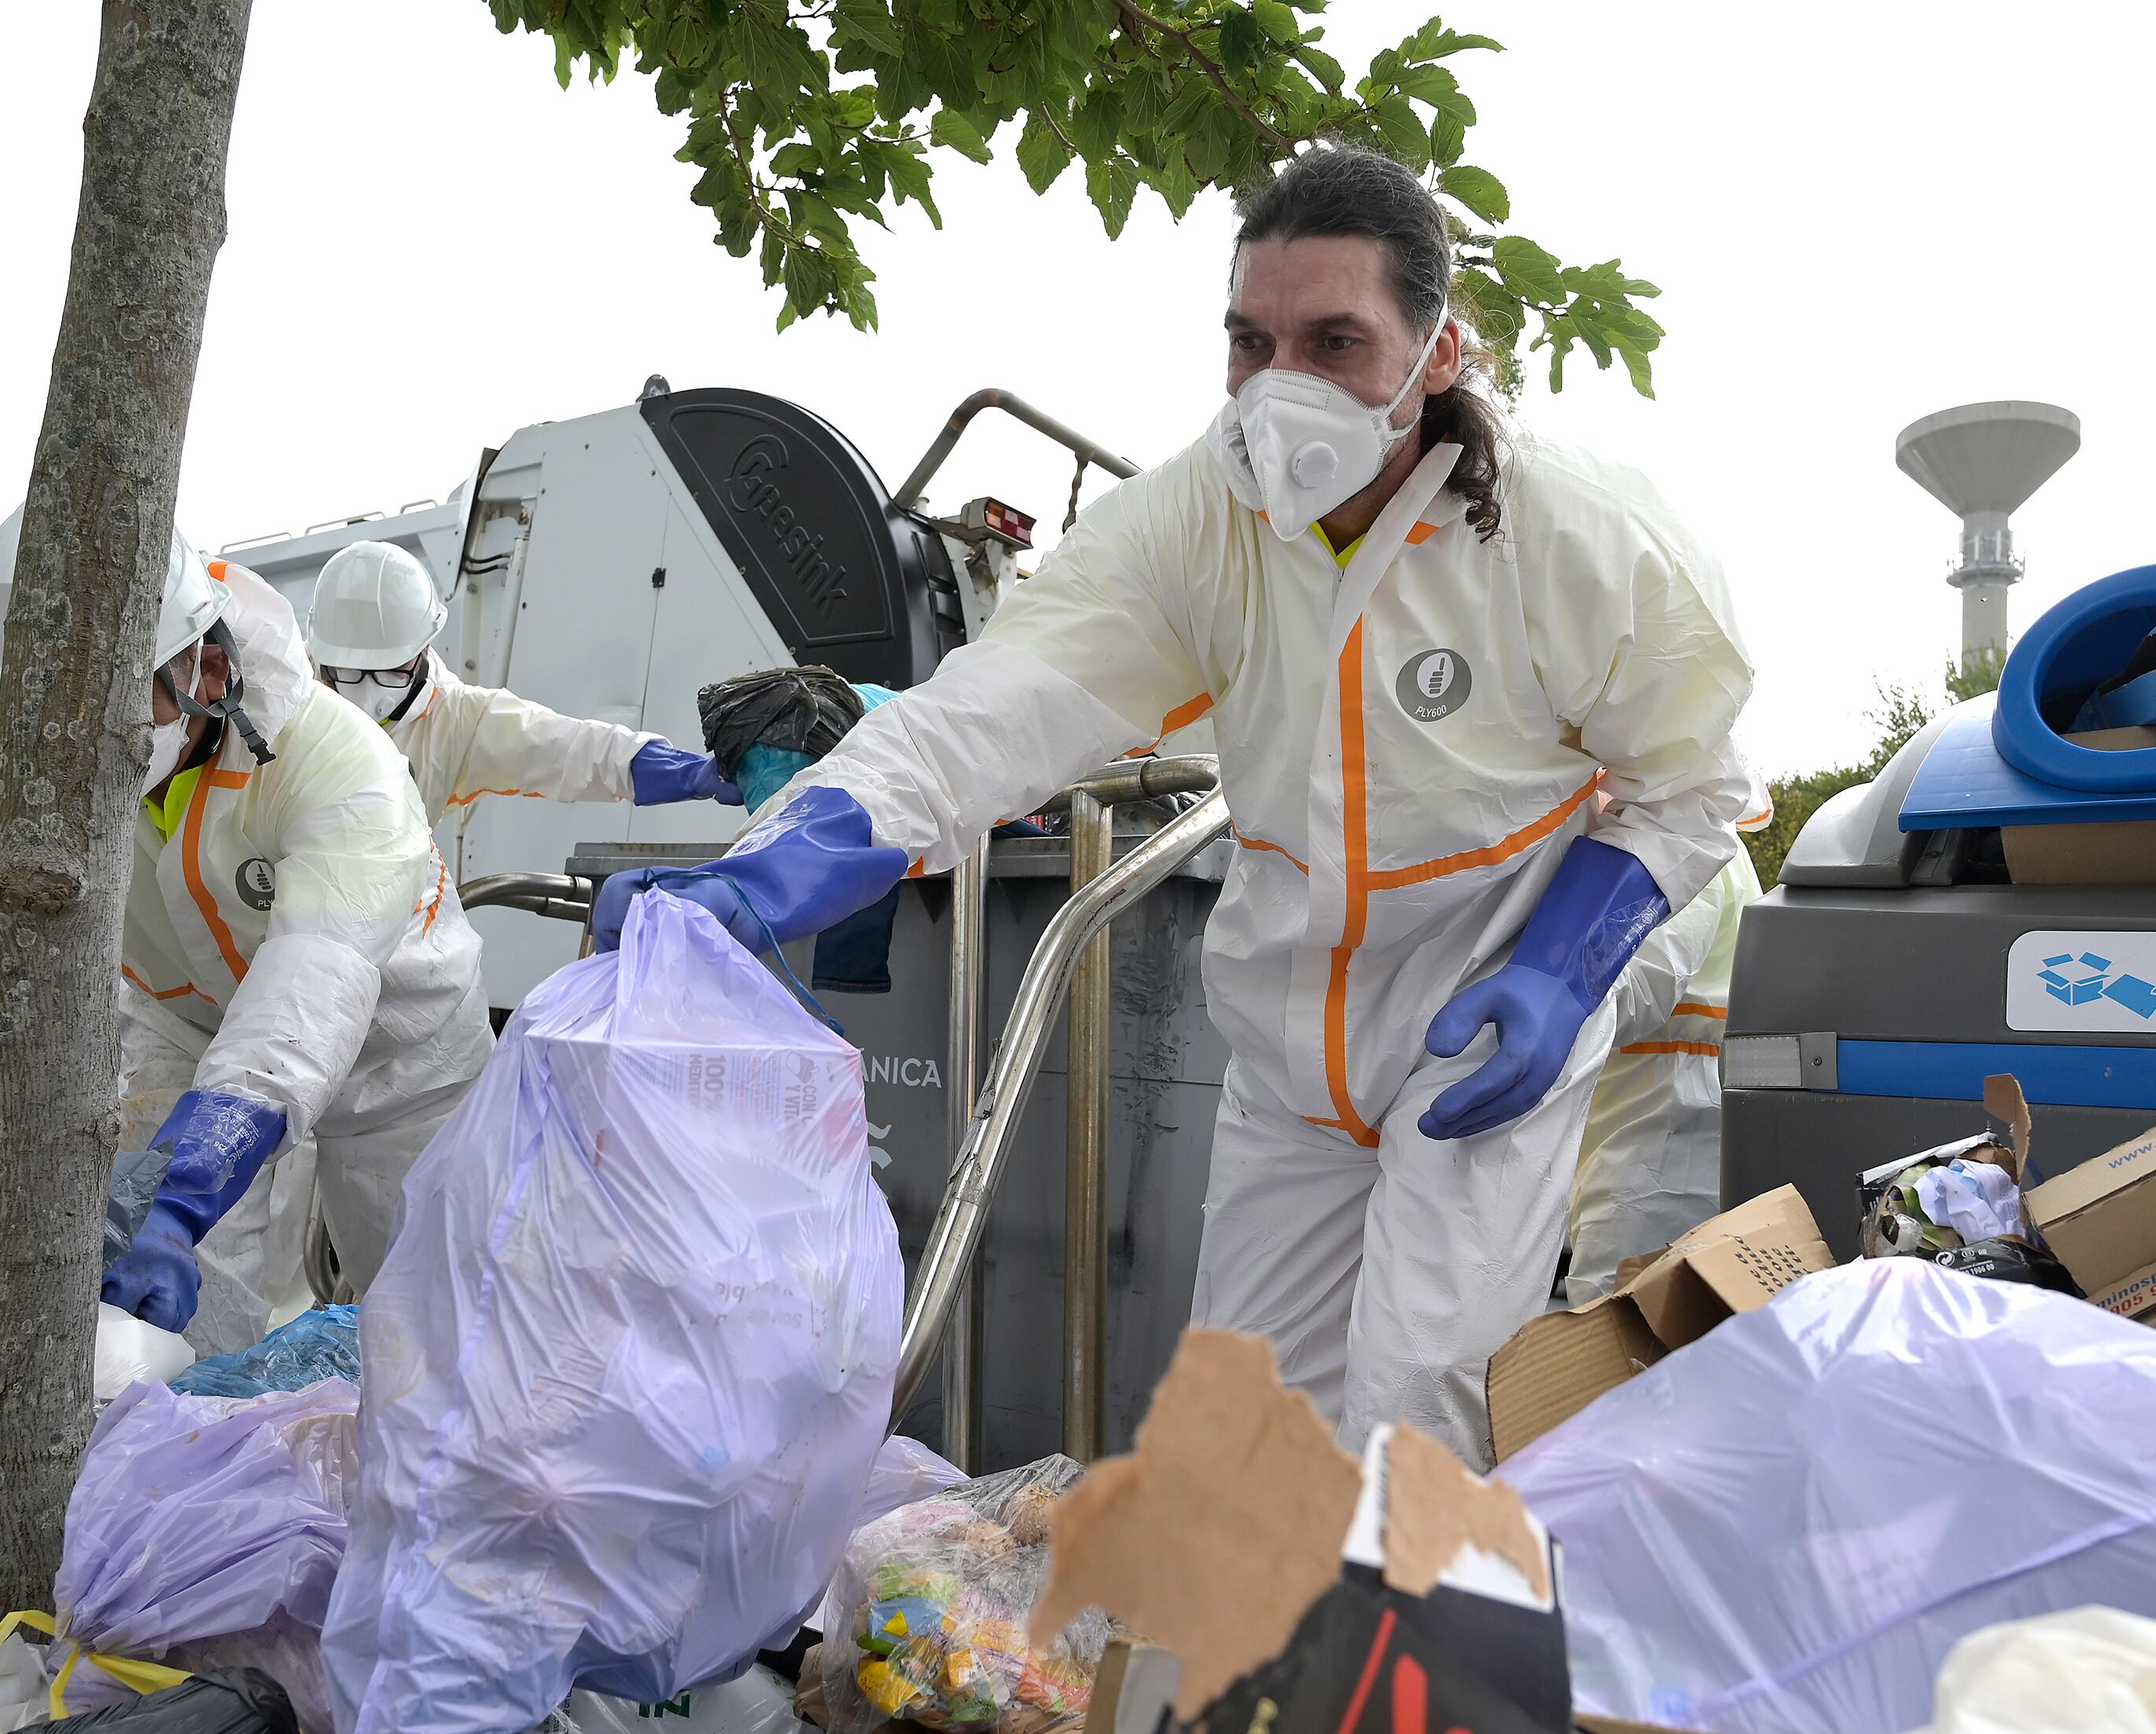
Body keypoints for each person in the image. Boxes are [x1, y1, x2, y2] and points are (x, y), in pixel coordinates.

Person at [589, 144, 1760, 1465]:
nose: (1281, 389)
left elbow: (1690, 784)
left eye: (1333, 341)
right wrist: (760, 873)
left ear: (1438, 353)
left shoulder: (1573, 536)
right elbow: (990, 714)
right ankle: (1237, 1668)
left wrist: (1562, 966)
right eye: (1250, 343)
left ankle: (1405, 1660)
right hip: (1284, 1045)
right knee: (1236, 1433)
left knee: (1417, 1410)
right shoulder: (1193, 527)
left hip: (1472, 1015)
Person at [0, 507, 493, 1346]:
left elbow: (314, 982)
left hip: (402, 1065)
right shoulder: (11, 764)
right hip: (184, 1029)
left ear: (209, 666)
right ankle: (196, 1450)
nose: (72, 737)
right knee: (170, 1319)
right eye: (50, 702)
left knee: (434, 1322)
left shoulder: (337, 763)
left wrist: (187, 1188)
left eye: (109, 702)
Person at [301, 538, 740, 821]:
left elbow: (567, 749)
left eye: (391, 670)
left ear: (423, 650)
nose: (367, 693)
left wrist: (686, 772)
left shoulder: (459, 723)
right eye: (348, 672)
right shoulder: (283, 693)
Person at [1560, 839, 1764, 1306]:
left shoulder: (1693, 844)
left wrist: (1555, 998)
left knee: (1620, 1306)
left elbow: (1647, 980)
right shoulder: (1684, 840)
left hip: (1668, 1106)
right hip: (1661, 1094)